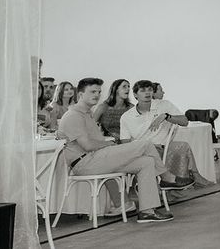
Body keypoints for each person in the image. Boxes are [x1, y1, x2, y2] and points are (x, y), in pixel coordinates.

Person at [59, 77, 192, 223]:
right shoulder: (73, 116)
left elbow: (94, 143)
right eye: (92, 91)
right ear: (80, 94)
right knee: (145, 144)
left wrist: (109, 144)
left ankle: (147, 211)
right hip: (85, 163)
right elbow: (88, 145)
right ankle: (167, 178)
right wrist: (110, 145)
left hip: (97, 158)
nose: (96, 95)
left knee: (146, 162)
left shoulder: (87, 114)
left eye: (98, 91)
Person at [120, 80, 200, 183]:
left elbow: (184, 122)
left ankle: (175, 182)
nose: (147, 93)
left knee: (183, 146)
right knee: (144, 155)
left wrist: (166, 116)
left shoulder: (163, 105)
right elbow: (125, 143)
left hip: (162, 148)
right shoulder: (127, 117)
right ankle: (161, 183)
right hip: (142, 150)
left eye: (150, 90)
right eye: (143, 90)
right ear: (135, 94)